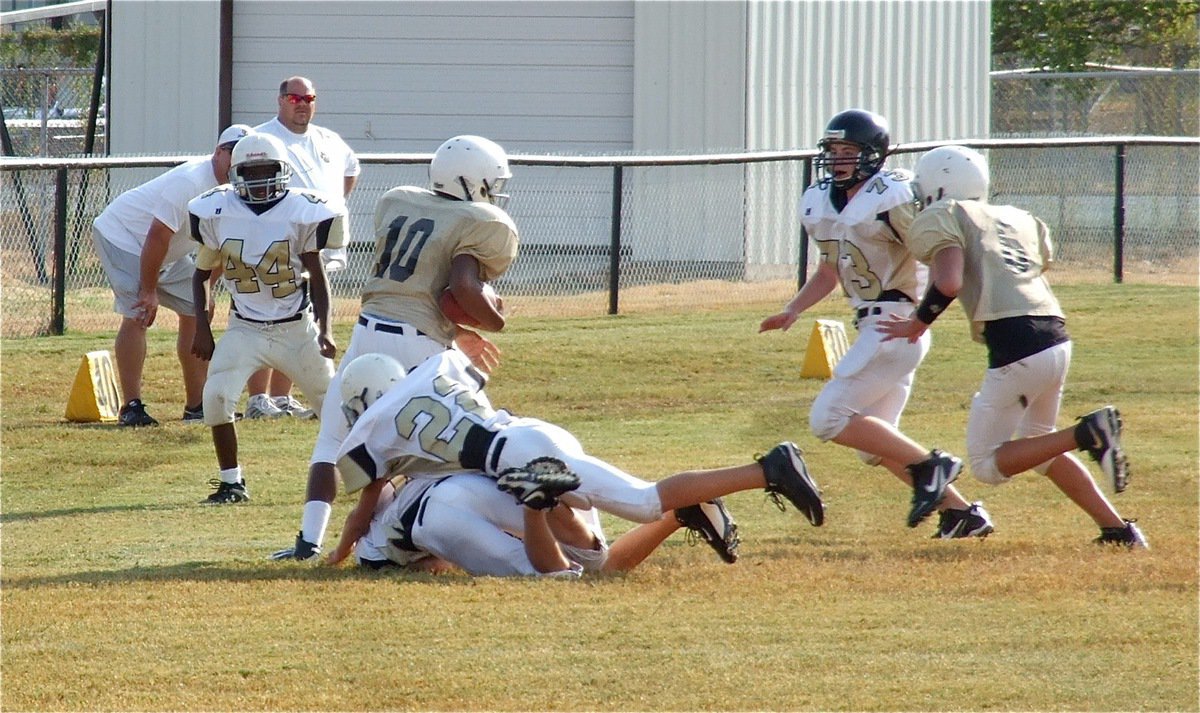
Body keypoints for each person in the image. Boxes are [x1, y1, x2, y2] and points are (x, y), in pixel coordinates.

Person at [876, 144, 1146, 548]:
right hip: (1055, 335)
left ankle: (1087, 432)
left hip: (1016, 343)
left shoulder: (943, 214)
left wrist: (919, 321)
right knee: (1040, 445)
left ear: (938, 185)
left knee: (987, 463)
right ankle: (1117, 530)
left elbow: (947, 282)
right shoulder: (1018, 216)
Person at [271, 135, 516, 561]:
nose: (496, 191)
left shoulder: (399, 200)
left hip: (368, 332)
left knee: (332, 439)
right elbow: (460, 285)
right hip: (418, 347)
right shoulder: (481, 221)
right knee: (474, 440)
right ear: (472, 181)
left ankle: (308, 543)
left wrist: (456, 332)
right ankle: (514, 522)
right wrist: (494, 320)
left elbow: (411, 290)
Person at [759, 109, 992, 535]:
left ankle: (934, 466)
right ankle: (962, 514)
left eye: (849, 150)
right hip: (875, 326)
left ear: (873, 155)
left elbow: (937, 254)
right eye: (832, 149)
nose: (838, 158)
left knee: (827, 418)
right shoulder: (818, 199)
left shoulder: (894, 195)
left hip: (895, 322)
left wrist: (923, 316)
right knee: (875, 443)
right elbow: (831, 271)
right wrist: (794, 308)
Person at [329, 351, 824, 550]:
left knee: (644, 501)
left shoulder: (373, 423)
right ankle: (695, 509)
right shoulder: (435, 365)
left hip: (515, 459)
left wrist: (340, 551)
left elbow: (363, 509)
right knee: (594, 541)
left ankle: (766, 470)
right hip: (528, 432)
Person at [188, 132, 344, 504]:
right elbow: (200, 275)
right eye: (251, 172)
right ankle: (231, 483)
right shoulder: (216, 211)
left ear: (282, 171)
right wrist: (202, 328)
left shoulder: (302, 210)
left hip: (296, 327)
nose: (260, 181)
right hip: (245, 328)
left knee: (335, 407)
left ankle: (362, 476)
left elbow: (317, 276)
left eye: (267, 171)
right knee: (215, 398)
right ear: (237, 174)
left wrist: (325, 330)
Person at [90, 123, 252, 427]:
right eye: (232, 152)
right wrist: (148, 291)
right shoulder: (191, 182)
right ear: (218, 152)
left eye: (244, 155)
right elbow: (157, 236)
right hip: (124, 236)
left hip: (165, 251)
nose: (237, 161)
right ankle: (131, 407)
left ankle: (196, 407)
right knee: (139, 312)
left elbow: (224, 245)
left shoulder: (240, 190)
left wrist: (207, 290)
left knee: (197, 310)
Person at [325, 467, 741, 577]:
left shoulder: (375, 535)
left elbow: (430, 563)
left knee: (569, 575)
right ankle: (680, 514)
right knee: (601, 562)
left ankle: (536, 504)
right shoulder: (407, 471)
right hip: (490, 467)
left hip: (435, 517)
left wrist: (336, 554)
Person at [246, 75, 362, 419]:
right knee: (264, 320)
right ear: (280, 100)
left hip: (320, 248)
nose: (303, 105)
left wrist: (330, 209)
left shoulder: (329, 139)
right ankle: (257, 399)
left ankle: (281, 397)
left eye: (309, 98)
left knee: (300, 321)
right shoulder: (263, 138)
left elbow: (350, 171)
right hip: (276, 246)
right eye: (295, 98)